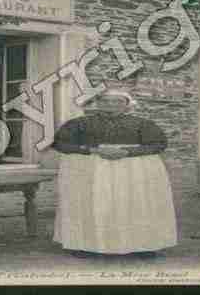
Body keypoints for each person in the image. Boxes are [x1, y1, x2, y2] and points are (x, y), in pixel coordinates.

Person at [52, 90, 177, 255]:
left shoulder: (143, 124)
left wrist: (127, 152)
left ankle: (142, 246)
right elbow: (61, 144)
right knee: (91, 204)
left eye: (117, 102)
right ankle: (87, 245)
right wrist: (91, 150)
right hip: (90, 171)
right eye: (106, 101)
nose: (111, 105)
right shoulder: (78, 124)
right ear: (97, 103)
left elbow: (158, 144)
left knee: (134, 205)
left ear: (127, 105)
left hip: (133, 173)